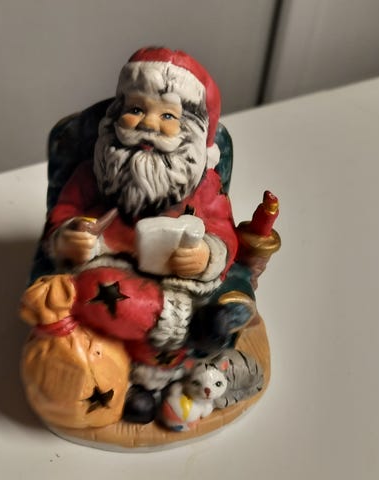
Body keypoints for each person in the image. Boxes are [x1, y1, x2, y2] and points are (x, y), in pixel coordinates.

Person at [41, 47, 254, 423]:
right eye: (137, 108)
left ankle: (165, 370)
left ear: (191, 130)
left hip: (180, 282)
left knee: (220, 294)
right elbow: (63, 214)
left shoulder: (204, 185)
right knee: (98, 290)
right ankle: (167, 351)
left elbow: (224, 230)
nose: (149, 124)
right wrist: (69, 237)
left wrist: (206, 255)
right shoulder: (94, 173)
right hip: (108, 275)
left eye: (168, 115)